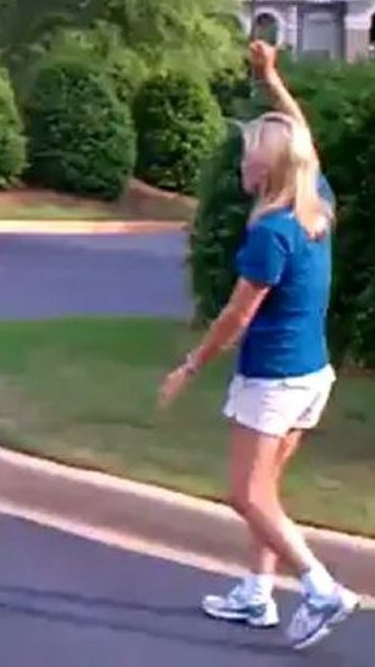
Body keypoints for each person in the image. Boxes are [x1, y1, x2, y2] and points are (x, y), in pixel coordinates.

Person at [157, 40, 359, 651]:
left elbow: (235, 317)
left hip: (273, 379)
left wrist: (190, 366)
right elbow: (299, 131)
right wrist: (271, 79)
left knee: (245, 493)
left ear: (265, 170)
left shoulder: (271, 233)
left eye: (248, 156)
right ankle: (257, 593)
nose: (241, 164)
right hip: (311, 376)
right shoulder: (313, 202)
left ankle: (321, 588)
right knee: (265, 489)